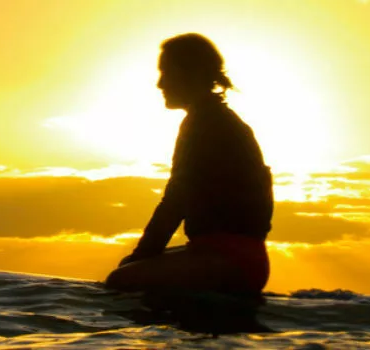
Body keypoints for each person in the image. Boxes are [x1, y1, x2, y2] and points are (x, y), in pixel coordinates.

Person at [105, 33, 274, 295]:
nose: (160, 83)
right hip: (241, 258)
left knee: (119, 280)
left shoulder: (204, 123)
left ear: (190, 74)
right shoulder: (223, 120)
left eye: (166, 72)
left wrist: (142, 254)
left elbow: (176, 199)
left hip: (227, 262)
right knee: (133, 267)